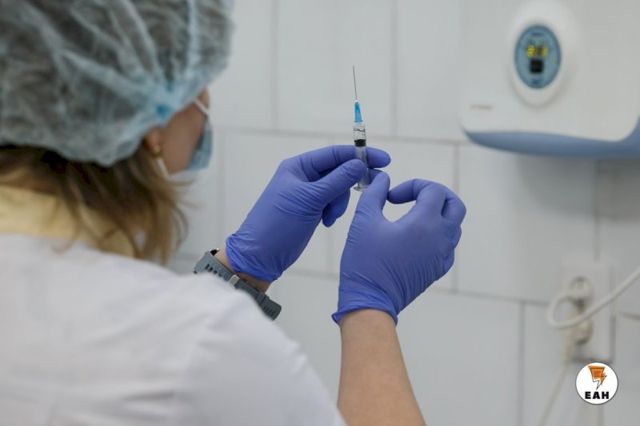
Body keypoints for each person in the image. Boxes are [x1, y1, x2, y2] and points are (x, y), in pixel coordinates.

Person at [0, 1, 466, 425]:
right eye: (194, 80)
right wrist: (370, 307)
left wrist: (238, 271)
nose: (205, 102)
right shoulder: (205, 345)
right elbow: (180, 355)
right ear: (151, 124)